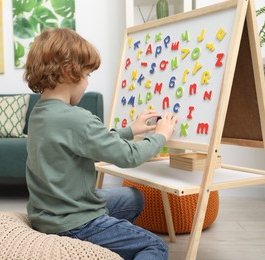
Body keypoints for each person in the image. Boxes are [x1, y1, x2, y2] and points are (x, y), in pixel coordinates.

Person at [23, 28, 177, 259]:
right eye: (87, 75)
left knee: (133, 197)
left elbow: (88, 140)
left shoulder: (39, 113)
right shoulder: (77, 118)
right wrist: (161, 135)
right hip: (76, 223)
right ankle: (97, 243)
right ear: (68, 72)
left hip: (48, 213)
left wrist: (129, 130)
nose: (87, 83)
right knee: (155, 247)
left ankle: (108, 248)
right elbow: (130, 156)